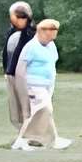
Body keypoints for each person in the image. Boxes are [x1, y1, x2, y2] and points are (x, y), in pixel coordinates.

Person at [18, 15, 72, 151]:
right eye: (48, 37)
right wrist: (23, 90)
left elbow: (52, 63)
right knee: (45, 109)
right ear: (40, 32)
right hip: (34, 85)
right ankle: (24, 140)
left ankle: (51, 140)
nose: (50, 40)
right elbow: (20, 70)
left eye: (53, 37)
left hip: (48, 85)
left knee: (43, 112)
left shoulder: (51, 45)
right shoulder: (30, 47)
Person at [0, 1, 38, 144]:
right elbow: (6, 54)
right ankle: (24, 134)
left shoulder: (32, 34)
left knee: (28, 107)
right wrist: (6, 71)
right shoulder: (11, 33)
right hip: (11, 75)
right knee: (16, 108)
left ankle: (31, 136)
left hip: (27, 77)